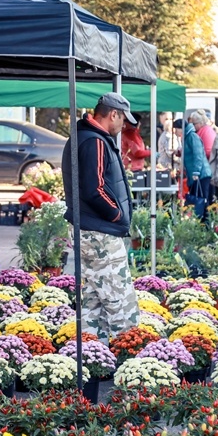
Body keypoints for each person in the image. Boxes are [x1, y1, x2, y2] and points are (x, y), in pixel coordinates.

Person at [61, 92, 140, 345]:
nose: (124, 126)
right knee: (120, 299)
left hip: (90, 228)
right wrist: (116, 214)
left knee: (93, 298)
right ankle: (130, 357)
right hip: (100, 232)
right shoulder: (94, 141)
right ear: (113, 114)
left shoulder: (86, 137)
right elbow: (95, 189)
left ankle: (93, 355)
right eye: (123, 120)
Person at [173, 118, 211, 217]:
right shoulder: (186, 137)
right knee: (196, 198)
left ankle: (205, 222)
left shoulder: (192, 136)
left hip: (201, 174)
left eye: (175, 129)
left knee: (201, 199)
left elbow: (198, 155)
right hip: (193, 174)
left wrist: (196, 172)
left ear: (181, 128)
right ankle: (199, 221)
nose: (175, 131)